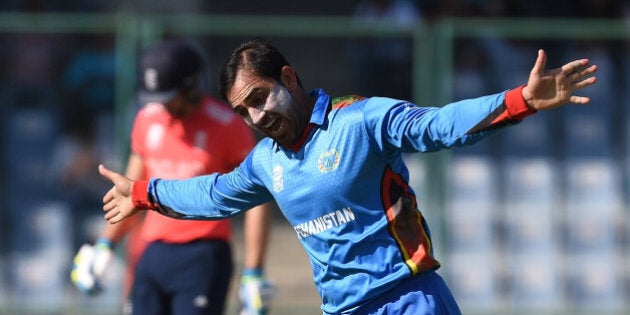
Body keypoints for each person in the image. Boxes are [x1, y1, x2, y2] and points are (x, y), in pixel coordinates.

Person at [97, 38, 597, 314]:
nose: (254, 117)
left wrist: (520, 100)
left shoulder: (360, 121)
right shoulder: (267, 161)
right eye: (241, 110)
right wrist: (143, 192)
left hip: (408, 301)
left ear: (289, 78)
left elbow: (440, 126)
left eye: (259, 98)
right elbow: (213, 193)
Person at [70, 39, 275, 315]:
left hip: (203, 254)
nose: (162, 107)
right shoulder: (147, 119)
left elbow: (258, 199)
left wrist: (253, 270)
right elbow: (131, 192)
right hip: (153, 251)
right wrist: (105, 244)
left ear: (191, 87)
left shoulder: (227, 126)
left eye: (169, 98)